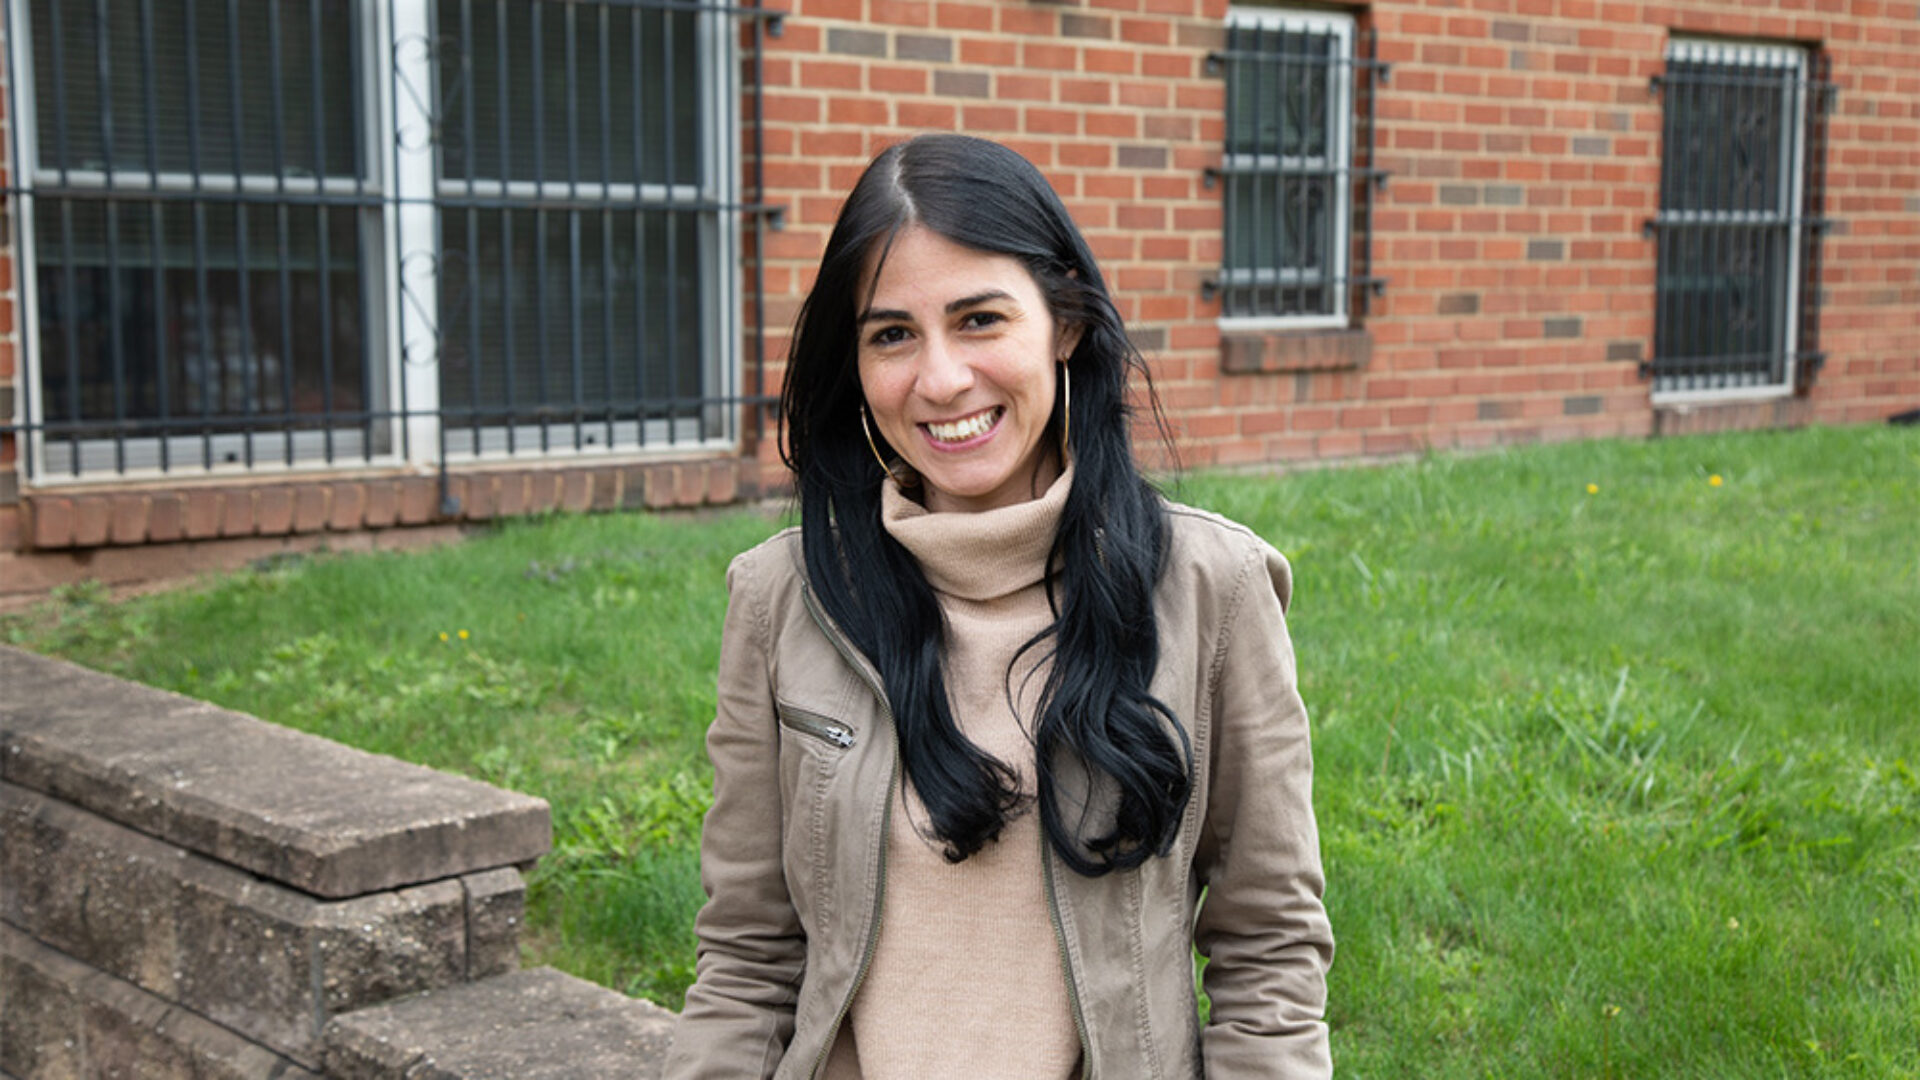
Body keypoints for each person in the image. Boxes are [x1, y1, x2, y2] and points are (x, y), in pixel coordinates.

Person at [662, 134, 1332, 1079]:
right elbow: (746, 959)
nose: (939, 380)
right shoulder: (782, 600)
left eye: (979, 319)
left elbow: (1268, 954)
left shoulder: (1210, 589)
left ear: (1064, 323)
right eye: (892, 334)